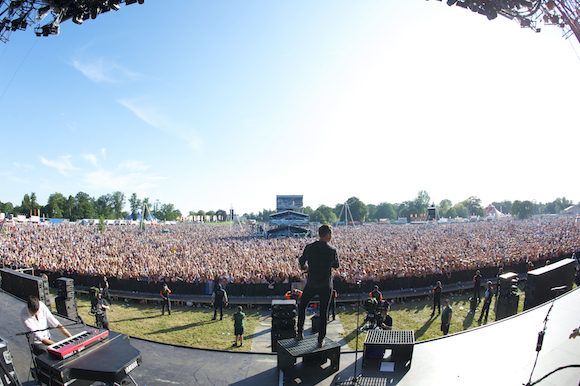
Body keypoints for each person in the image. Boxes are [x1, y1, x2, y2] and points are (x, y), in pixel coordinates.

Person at [296, 224, 340, 348]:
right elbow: (336, 265)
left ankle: (299, 333)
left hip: (312, 283)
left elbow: (301, 261)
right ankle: (320, 340)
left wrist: (306, 268)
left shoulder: (310, 247)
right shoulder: (332, 250)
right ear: (327, 235)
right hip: (325, 284)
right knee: (323, 311)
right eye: (331, 234)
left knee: (302, 306)